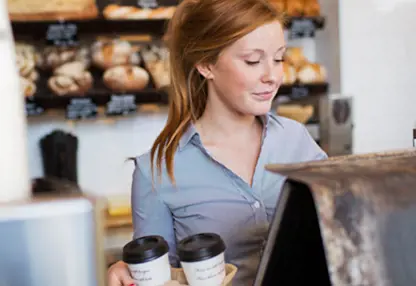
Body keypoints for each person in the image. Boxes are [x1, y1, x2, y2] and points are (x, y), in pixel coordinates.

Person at [107, 0, 327, 285]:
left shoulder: (297, 140)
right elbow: (159, 276)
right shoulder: (158, 172)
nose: (272, 76)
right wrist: (127, 271)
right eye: (252, 60)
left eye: (279, 58)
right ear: (206, 64)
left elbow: (338, 232)